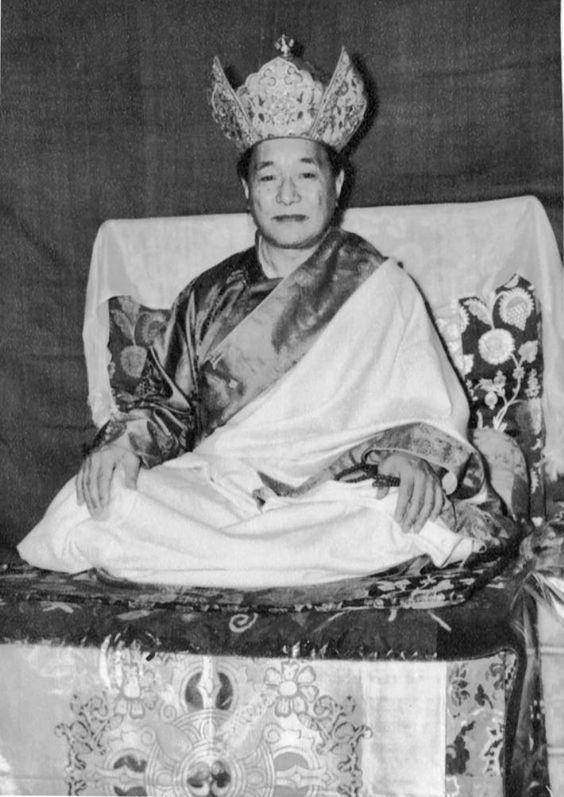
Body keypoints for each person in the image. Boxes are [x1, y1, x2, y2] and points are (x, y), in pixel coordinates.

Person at [18, 37, 517, 587]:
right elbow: (166, 406)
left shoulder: (382, 286)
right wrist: (124, 444)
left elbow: (427, 407)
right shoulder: (208, 295)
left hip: (339, 492)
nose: (287, 194)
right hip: (221, 487)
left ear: (336, 184)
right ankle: (259, 558)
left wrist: (408, 456)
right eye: (268, 177)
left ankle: (227, 560)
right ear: (246, 188)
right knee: (89, 504)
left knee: (402, 515)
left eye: (306, 174)